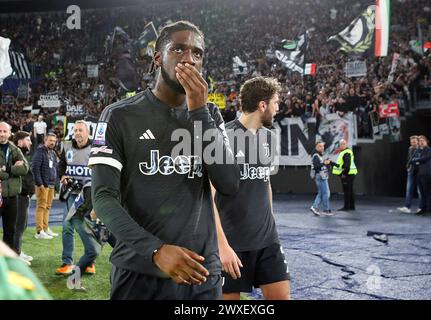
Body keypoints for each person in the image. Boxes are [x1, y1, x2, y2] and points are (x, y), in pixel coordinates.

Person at [89, 20, 240, 300]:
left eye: (197, 53)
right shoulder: (118, 116)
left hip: (203, 276)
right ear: (158, 57)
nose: (189, 58)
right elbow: (103, 198)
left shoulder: (210, 116)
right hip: (140, 273)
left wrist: (198, 112)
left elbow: (229, 183)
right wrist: (155, 250)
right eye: (179, 49)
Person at [213, 76, 290, 300]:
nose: (278, 108)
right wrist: (221, 246)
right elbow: (208, 197)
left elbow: (265, 182)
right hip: (232, 244)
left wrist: (271, 223)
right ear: (262, 105)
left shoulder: (268, 138)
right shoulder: (224, 138)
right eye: (275, 102)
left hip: (267, 242)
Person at [56, 120, 94, 275]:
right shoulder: (67, 146)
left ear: (88, 132)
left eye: (80, 130)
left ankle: (90, 261)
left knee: (89, 228)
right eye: (75, 130)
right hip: (71, 194)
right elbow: (61, 165)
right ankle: (67, 262)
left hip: (89, 195)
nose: (77, 133)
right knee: (67, 227)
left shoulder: (96, 148)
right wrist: (62, 175)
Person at [65, 181, 101, 291]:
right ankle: (73, 280)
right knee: (92, 251)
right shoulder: (92, 187)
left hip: (88, 216)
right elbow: (90, 213)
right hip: (79, 217)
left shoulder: (100, 183)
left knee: (115, 245)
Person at [0, 122, 29, 253]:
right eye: (0, 131)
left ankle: (7, 262)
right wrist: (11, 171)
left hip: (12, 197)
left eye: (4, 131)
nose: (1, 134)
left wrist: (7, 169)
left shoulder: (14, 149)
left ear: (9, 133)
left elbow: (24, 168)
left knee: (10, 231)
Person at [12, 131, 34, 265]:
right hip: (19, 196)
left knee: (22, 225)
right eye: (28, 139)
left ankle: (18, 251)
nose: (31, 142)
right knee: (18, 227)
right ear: (20, 142)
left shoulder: (22, 154)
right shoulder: (16, 155)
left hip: (24, 196)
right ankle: (15, 254)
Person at [31, 133, 59, 240]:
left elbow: (55, 169)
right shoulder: (40, 152)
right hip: (43, 185)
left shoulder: (52, 153)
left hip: (51, 185)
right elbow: (35, 169)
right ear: (45, 140)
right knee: (41, 207)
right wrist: (40, 184)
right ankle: (39, 231)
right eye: (50, 140)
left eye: (54, 141)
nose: (52, 142)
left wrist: (55, 185)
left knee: (47, 207)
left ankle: (46, 229)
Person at [332, 139, 358, 211]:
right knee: (350, 190)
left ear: (345, 145)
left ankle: (346, 207)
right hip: (350, 174)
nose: (342, 145)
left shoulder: (346, 153)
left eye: (344, 144)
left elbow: (347, 165)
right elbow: (342, 165)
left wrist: (344, 174)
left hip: (348, 175)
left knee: (347, 190)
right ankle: (351, 206)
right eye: (341, 144)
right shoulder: (345, 152)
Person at [310, 141, 334, 217]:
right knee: (326, 193)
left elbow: (323, 164)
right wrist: (324, 163)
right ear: (316, 147)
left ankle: (314, 207)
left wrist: (329, 163)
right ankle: (326, 210)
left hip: (322, 176)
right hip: (320, 176)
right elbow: (316, 167)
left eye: (323, 146)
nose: (322, 147)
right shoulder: (315, 156)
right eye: (320, 146)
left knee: (323, 193)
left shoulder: (319, 155)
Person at [398, 135, 420, 213]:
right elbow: (409, 158)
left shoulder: (420, 149)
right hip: (411, 171)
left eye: (414, 142)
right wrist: (408, 166)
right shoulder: (410, 149)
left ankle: (421, 207)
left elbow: (420, 161)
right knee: (409, 189)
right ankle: (407, 207)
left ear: (417, 142)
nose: (412, 143)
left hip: (418, 172)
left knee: (419, 190)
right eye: (411, 142)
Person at [413, 135, 431, 216]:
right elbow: (415, 160)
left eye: (423, 140)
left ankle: (429, 211)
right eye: (420, 141)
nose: (421, 142)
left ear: (426, 141)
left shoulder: (429, 149)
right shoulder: (419, 150)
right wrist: (417, 161)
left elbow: (424, 159)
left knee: (427, 193)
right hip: (419, 174)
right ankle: (423, 209)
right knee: (422, 193)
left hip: (427, 174)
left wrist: (417, 160)